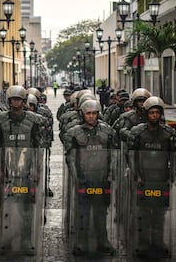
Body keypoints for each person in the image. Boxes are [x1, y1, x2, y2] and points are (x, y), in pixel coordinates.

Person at [0, 85, 45, 254]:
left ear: (24, 101)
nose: (16, 103)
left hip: (27, 171)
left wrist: (37, 169)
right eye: (13, 100)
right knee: (6, 205)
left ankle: (26, 240)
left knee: (27, 206)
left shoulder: (34, 120)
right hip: (6, 171)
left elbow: (38, 146)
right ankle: (5, 240)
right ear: (9, 101)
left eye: (19, 100)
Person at [128, 96, 176, 257]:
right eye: (152, 112)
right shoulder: (137, 132)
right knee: (143, 213)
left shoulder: (169, 133)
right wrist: (136, 175)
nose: (155, 115)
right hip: (143, 178)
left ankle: (158, 241)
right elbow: (131, 156)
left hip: (161, 179)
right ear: (146, 113)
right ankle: (142, 242)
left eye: (157, 112)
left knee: (159, 213)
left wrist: (172, 177)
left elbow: (174, 157)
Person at [64, 99, 116, 255]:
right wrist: (76, 178)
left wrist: (111, 175)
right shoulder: (74, 132)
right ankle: (81, 242)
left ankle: (103, 241)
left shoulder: (107, 131)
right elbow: (71, 158)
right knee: (83, 212)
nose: (92, 116)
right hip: (84, 179)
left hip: (101, 179)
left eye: (94, 113)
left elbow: (112, 156)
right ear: (82, 114)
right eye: (88, 113)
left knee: (101, 212)